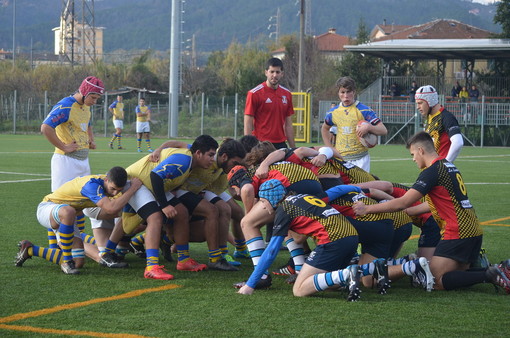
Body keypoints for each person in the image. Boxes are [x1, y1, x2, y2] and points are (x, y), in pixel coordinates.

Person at [352, 131, 510, 293]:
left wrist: (367, 209)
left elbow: (403, 201)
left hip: (457, 231)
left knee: (434, 280)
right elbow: (432, 203)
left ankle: (490, 274)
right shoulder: (448, 166)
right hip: (473, 229)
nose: (413, 158)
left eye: (413, 154)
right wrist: (410, 211)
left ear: (421, 150)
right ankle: (499, 270)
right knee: (455, 274)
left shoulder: (432, 171)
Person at [15, 167, 142, 274]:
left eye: (118, 191)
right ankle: (67, 260)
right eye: (113, 189)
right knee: (68, 211)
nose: (115, 193)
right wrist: (133, 188)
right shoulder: (92, 185)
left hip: (66, 217)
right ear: (106, 180)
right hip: (47, 208)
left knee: (79, 263)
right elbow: (110, 208)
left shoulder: (109, 183)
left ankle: (30, 249)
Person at [41, 76, 104, 192]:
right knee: (62, 201)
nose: (95, 102)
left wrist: (91, 139)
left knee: (82, 201)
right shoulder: (66, 106)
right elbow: (46, 127)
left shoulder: (86, 106)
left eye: (97, 99)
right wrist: (63, 147)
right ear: (84, 92)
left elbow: (87, 123)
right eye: (93, 98)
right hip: (66, 162)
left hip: (84, 161)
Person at [321, 76, 387, 172]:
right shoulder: (333, 113)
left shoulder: (364, 110)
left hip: (361, 159)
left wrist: (369, 127)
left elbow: (383, 130)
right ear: (338, 93)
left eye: (349, 92)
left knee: (359, 187)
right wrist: (330, 148)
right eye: (342, 92)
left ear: (354, 92)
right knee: (343, 187)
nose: (346, 95)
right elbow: (324, 128)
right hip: (341, 159)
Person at [244, 57, 295, 150]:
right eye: (272, 72)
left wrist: (293, 149)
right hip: (261, 143)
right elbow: (248, 122)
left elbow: (288, 125)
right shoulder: (254, 93)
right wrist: (248, 148)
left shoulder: (287, 94)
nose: (274, 75)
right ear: (266, 72)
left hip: (280, 144)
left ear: (282, 74)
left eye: (277, 72)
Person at [415, 85, 463, 162]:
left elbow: (458, 142)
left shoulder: (446, 117)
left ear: (430, 101)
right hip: (431, 168)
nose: (417, 107)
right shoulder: (429, 117)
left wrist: (446, 164)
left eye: (420, 103)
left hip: (439, 169)